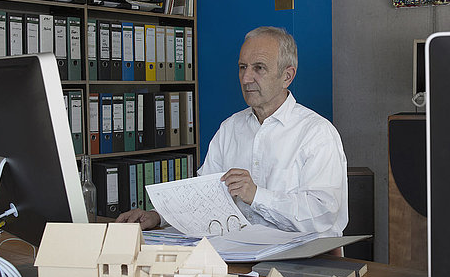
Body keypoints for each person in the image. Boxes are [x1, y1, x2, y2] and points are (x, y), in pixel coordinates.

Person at [116, 26, 348, 236]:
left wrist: (257, 195)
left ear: (287, 76)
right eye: (242, 67)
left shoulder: (317, 133)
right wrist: (158, 216)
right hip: (236, 256)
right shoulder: (230, 129)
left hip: (301, 263)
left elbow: (323, 215)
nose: (246, 78)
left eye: (259, 68)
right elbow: (204, 196)